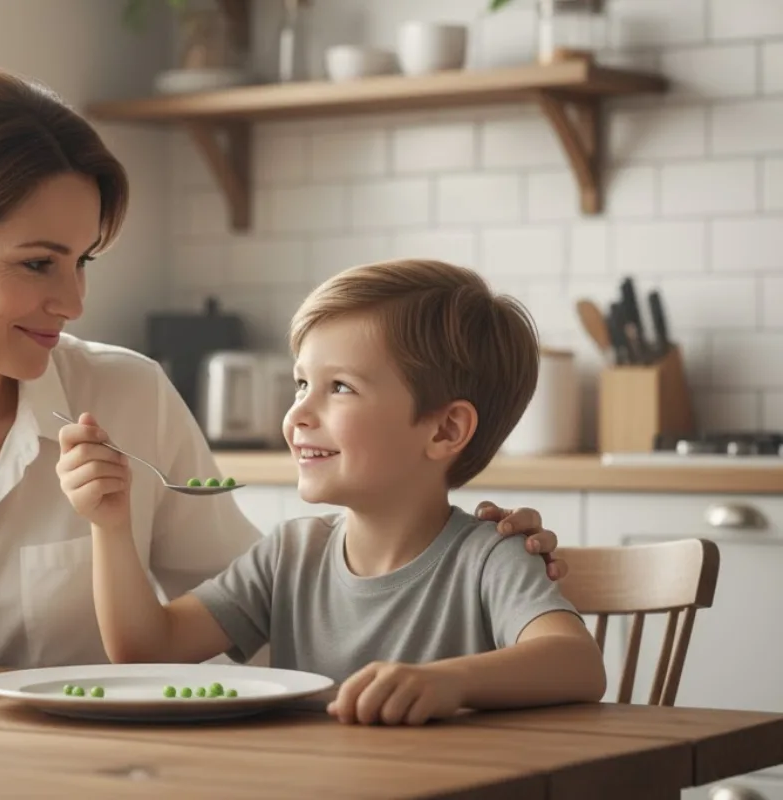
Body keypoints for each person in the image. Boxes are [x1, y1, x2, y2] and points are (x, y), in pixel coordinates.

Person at [0, 67, 567, 675]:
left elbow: (275, 607)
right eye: (37, 263)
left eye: (81, 263)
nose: (73, 302)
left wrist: (446, 548)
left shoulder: (126, 396)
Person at [58, 259, 607, 726]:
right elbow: (147, 649)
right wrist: (111, 525)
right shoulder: (290, 556)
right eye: (302, 383)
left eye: (339, 387)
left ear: (444, 431)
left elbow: (578, 663)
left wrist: (449, 683)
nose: (297, 413)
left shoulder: (490, 555)